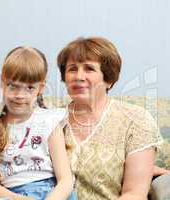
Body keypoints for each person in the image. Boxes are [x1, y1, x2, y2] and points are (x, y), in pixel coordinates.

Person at [56, 37, 164, 199]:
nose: (78, 76)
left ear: (109, 79)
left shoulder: (136, 120)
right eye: (72, 69)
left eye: (89, 69)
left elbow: (134, 194)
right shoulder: (50, 120)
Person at [0, 46, 76, 200]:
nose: (20, 95)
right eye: (12, 86)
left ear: (40, 88)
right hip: (11, 195)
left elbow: (66, 180)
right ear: (2, 83)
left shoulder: (48, 121)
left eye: (29, 88)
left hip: (52, 193)